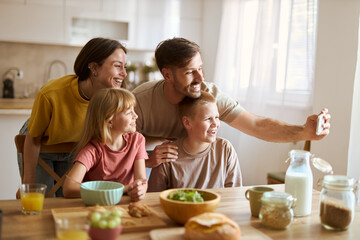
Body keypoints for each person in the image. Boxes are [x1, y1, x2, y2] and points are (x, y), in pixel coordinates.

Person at [132, 37, 331, 168]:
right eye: (190, 72)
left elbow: (256, 125)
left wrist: (304, 132)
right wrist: (148, 160)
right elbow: (112, 150)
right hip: (153, 171)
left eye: (200, 68)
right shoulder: (140, 101)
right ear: (167, 75)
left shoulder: (210, 95)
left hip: (195, 170)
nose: (200, 78)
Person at [19, 37, 128, 197]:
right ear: (93, 67)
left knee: (67, 200)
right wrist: (28, 183)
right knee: (41, 199)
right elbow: (33, 138)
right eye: (118, 66)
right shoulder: (51, 94)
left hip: (74, 149)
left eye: (125, 67)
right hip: (40, 145)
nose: (124, 74)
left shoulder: (114, 98)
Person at [63, 88, 148, 201]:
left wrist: (140, 191)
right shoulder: (93, 150)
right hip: (98, 206)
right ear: (109, 121)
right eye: (129, 113)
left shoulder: (137, 140)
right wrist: (125, 189)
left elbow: (142, 181)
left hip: (126, 204)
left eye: (134, 110)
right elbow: (68, 189)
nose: (136, 116)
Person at [147, 91, 242, 192]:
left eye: (217, 117)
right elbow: (153, 198)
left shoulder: (225, 148)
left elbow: (235, 193)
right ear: (187, 123)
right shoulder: (167, 154)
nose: (215, 124)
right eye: (208, 119)